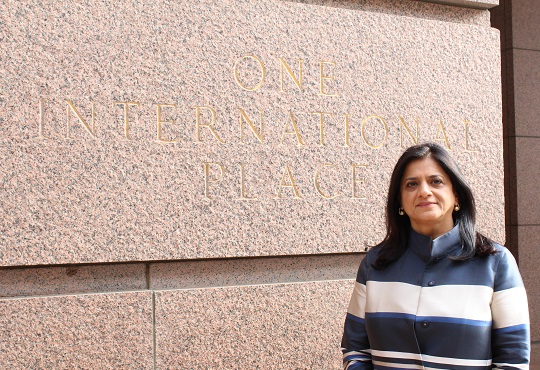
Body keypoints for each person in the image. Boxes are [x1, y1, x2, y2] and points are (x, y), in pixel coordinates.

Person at [341, 142, 530, 369]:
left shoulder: (495, 262)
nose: (424, 191)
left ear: (456, 196)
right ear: (400, 201)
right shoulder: (375, 264)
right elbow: (356, 351)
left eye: (436, 181)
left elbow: (513, 360)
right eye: (411, 184)